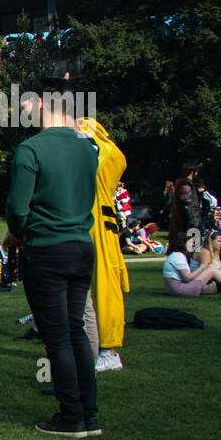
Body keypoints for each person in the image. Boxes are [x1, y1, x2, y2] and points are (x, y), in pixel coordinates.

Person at [5, 77, 100, 437]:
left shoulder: (31, 149)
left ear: (44, 103)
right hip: (81, 245)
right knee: (74, 329)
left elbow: (17, 207)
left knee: (57, 335)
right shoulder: (88, 147)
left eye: (27, 104)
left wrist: (21, 232)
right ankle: (88, 413)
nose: (23, 110)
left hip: (46, 248)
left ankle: (71, 415)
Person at [77, 117, 130, 374]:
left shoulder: (106, 152)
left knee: (105, 289)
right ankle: (94, 345)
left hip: (101, 230)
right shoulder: (105, 151)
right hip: (90, 227)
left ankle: (110, 350)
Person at [164, 231, 221, 296]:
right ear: (183, 244)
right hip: (183, 290)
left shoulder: (177, 255)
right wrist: (203, 267)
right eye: (190, 243)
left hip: (180, 289)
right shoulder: (178, 257)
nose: (193, 245)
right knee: (213, 270)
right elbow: (187, 278)